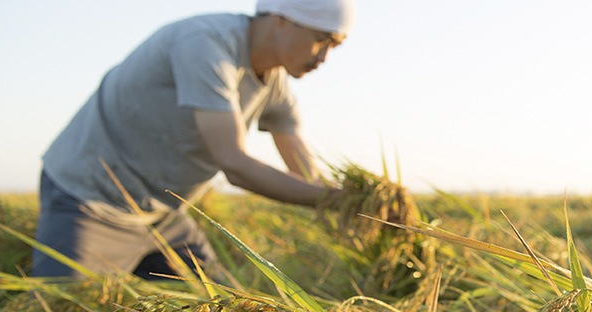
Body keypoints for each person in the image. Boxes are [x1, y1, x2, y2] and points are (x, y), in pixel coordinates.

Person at [31, 0, 355, 280]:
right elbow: (234, 164)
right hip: (90, 201)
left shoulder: (275, 85)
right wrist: (334, 200)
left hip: (164, 217)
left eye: (334, 46)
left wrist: (357, 205)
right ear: (281, 18)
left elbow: (308, 176)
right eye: (320, 39)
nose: (324, 57)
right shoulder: (206, 43)